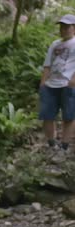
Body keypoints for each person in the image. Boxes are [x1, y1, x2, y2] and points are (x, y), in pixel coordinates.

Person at [39, 14, 75, 151]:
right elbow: (47, 65)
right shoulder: (54, 44)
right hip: (50, 84)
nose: (64, 29)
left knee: (69, 116)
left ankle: (65, 145)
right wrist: (42, 84)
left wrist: (73, 81)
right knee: (47, 115)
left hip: (67, 85)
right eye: (62, 26)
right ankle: (51, 143)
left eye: (67, 26)